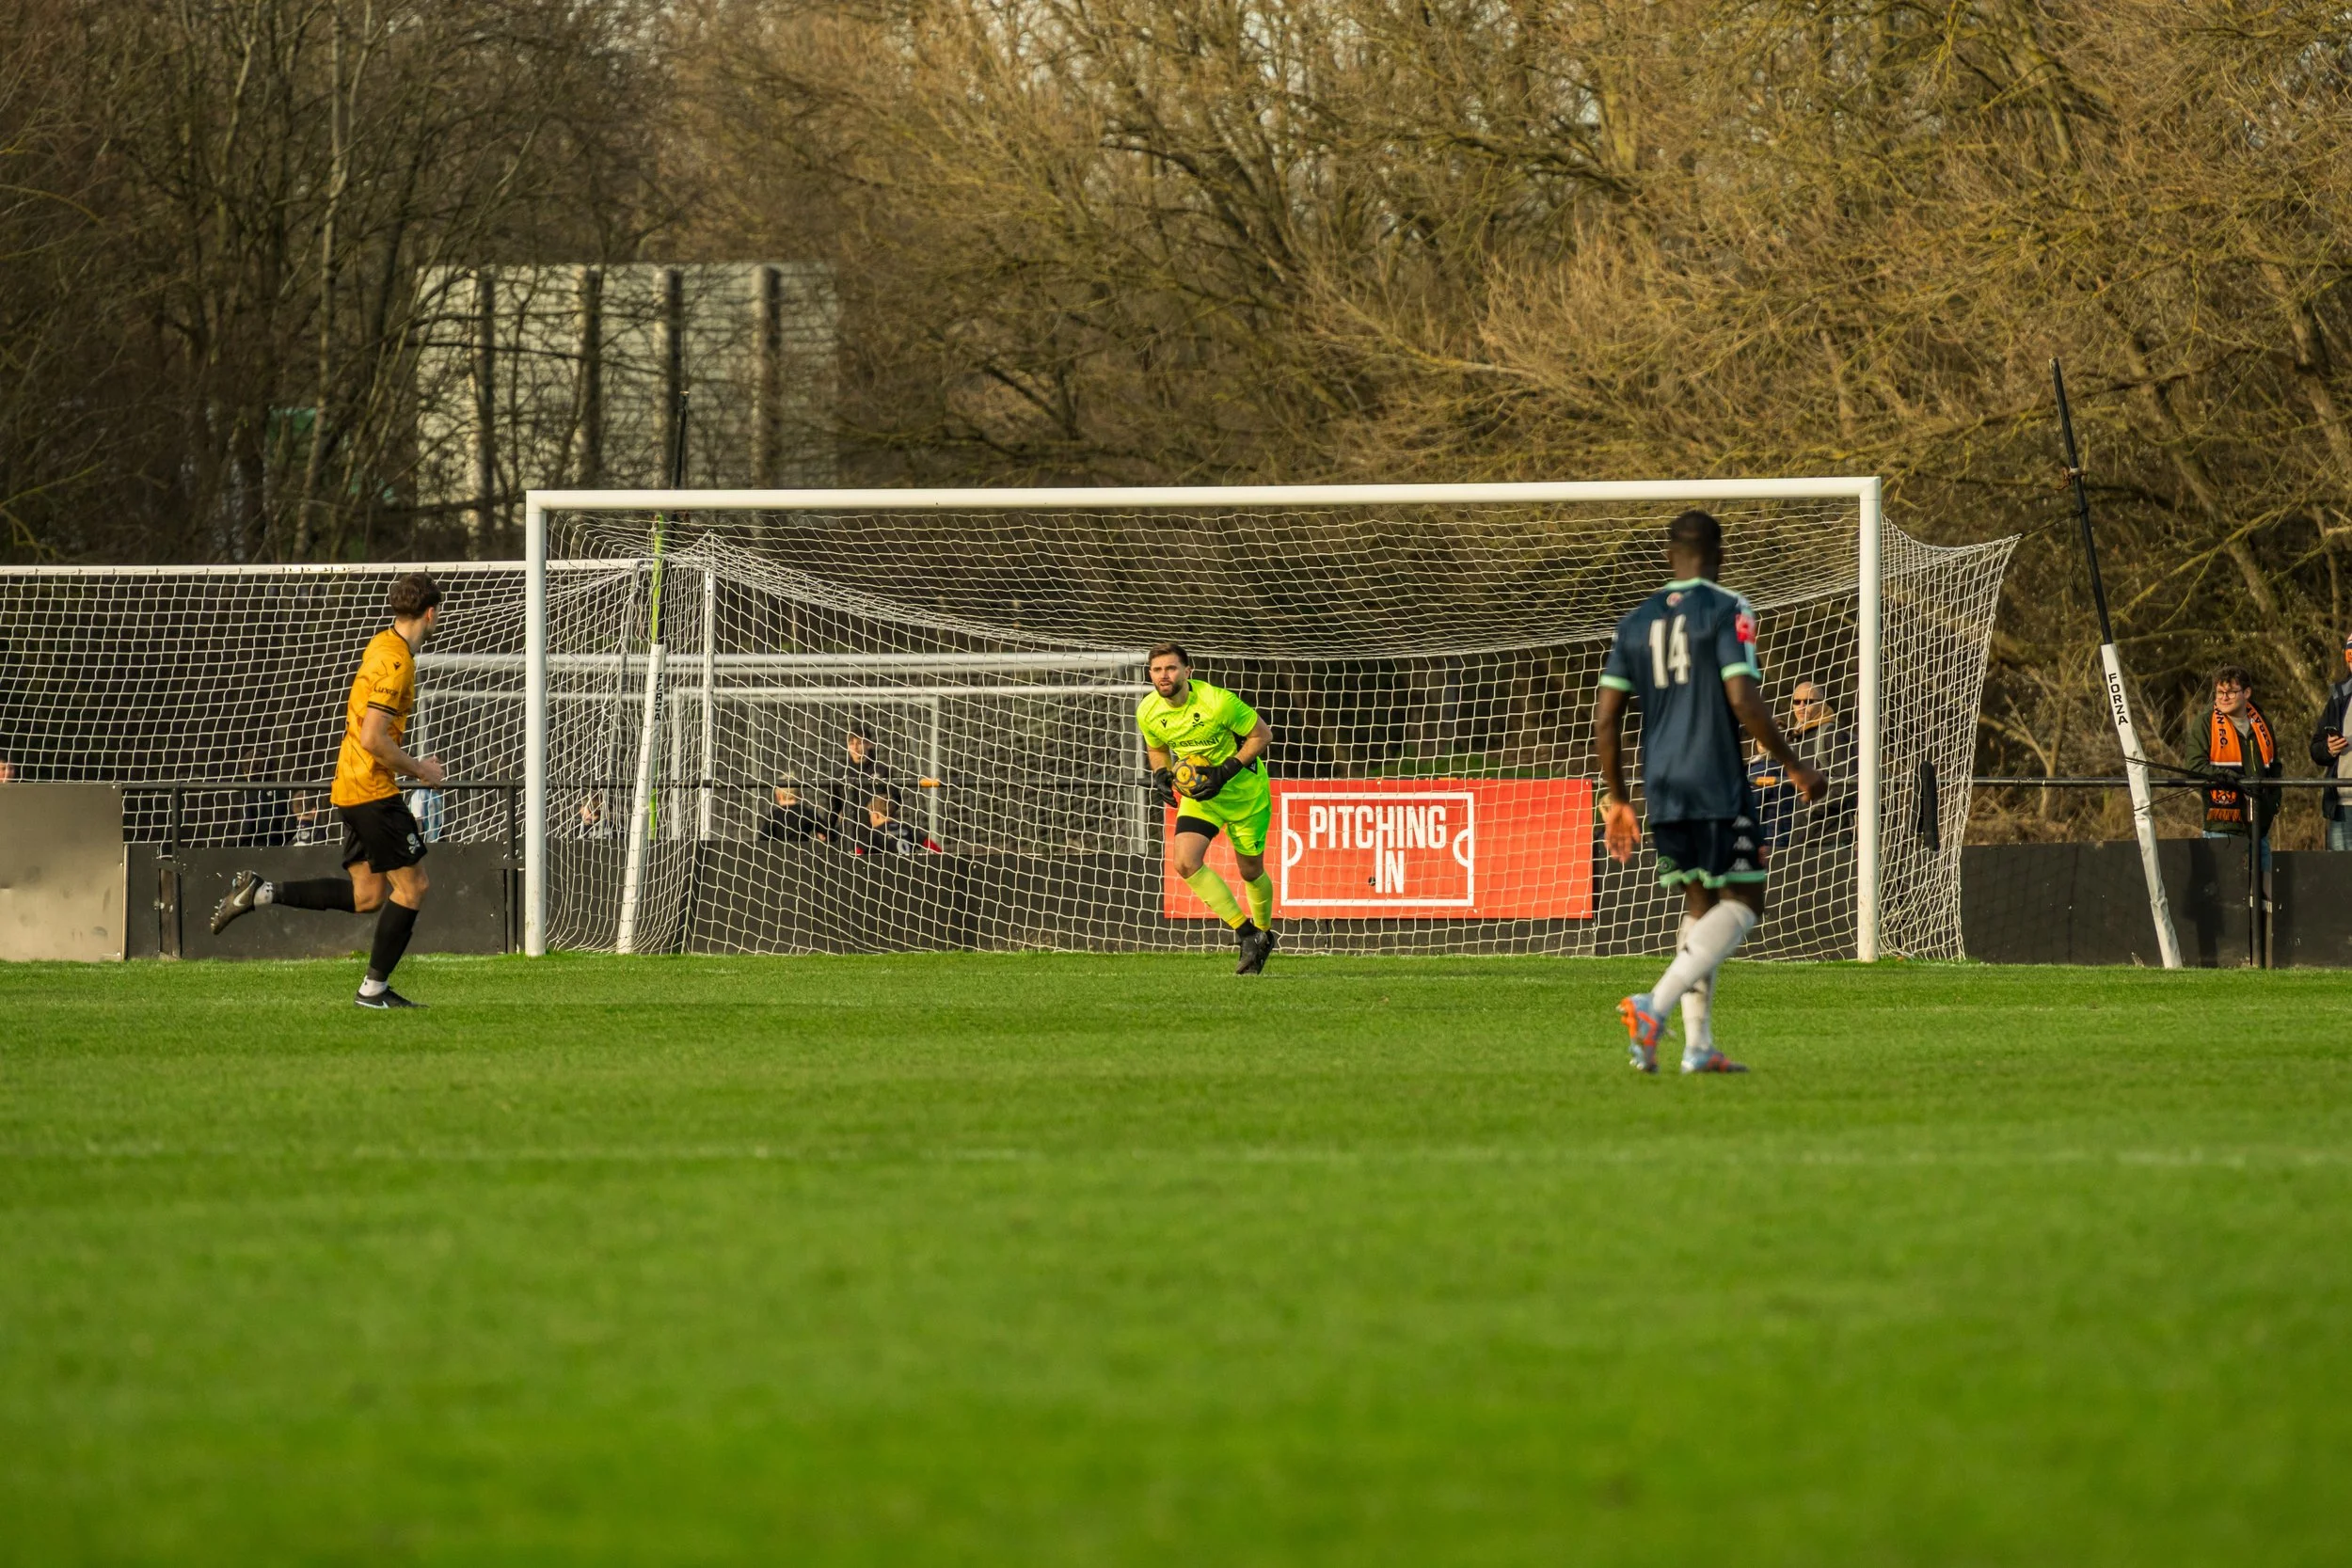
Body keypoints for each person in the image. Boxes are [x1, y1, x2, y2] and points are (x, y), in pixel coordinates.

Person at [1595, 510, 1825, 1074]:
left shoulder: (1633, 623)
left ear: (1667, 555)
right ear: (1721, 555)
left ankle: (1697, 1045)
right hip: (1715, 781)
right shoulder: (1727, 608)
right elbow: (1743, 698)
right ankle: (1654, 1006)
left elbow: (1606, 718)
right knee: (1745, 901)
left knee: (1700, 906)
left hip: (1663, 787)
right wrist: (1795, 765)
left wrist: (1619, 799)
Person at [209, 573, 446, 1008]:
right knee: (413, 888)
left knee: (367, 896)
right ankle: (373, 991)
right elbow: (373, 737)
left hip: (350, 784)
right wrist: (420, 770)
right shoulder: (396, 664)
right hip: (372, 789)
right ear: (431, 613)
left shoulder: (382, 643)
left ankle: (261, 892)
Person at [1137, 641, 1278, 974]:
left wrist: (1224, 772)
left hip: (1245, 796)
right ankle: (1246, 934)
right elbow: (1157, 748)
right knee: (1185, 863)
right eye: (1157, 670)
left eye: (1171, 668)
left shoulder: (1217, 701)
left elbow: (1262, 735)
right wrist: (1160, 774)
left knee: (1250, 871)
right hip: (1202, 799)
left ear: (1188, 671)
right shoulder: (1148, 711)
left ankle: (1264, 933)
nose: (1164, 675)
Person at [2186, 664, 2281, 874]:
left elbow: (2275, 765)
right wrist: (2232, 778)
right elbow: (2194, 766)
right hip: (2223, 827)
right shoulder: (2206, 723)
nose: (2224, 698)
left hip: (2260, 827)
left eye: (2230, 692)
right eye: (2220, 692)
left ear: (2246, 693)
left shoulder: (2262, 723)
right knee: (2226, 889)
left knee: (2264, 889)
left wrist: (2274, 801)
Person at [2310, 632, 2352, 851]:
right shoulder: (2339, 696)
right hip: (2343, 807)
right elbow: (2316, 748)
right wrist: (2329, 749)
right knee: (2341, 871)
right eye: (2350, 655)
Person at [827, 721, 901, 836]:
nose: (855, 747)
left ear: (869, 744)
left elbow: (895, 800)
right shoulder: (840, 774)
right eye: (851, 743)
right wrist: (827, 829)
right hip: (849, 833)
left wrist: (882, 808)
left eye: (859, 743)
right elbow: (833, 807)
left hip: (877, 833)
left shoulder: (882, 771)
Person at [853, 792, 939, 855]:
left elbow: (859, 851)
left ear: (876, 815)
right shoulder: (906, 828)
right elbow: (930, 844)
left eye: (870, 815)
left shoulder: (877, 833)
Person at [760, 777, 831, 844]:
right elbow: (829, 833)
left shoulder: (774, 816)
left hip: (779, 852)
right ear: (799, 795)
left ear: (778, 796)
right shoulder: (807, 813)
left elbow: (762, 840)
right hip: (802, 851)